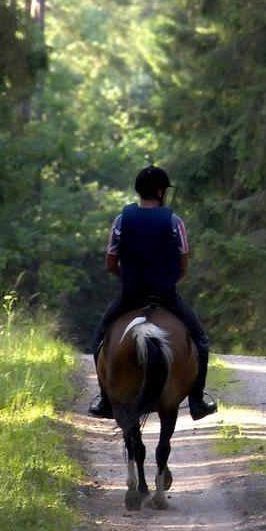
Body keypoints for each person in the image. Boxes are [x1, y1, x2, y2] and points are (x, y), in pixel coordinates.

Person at [88, 166, 218, 420]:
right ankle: (197, 400)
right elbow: (184, 265)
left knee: (99, 339)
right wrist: (168, 281)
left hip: (131, 295)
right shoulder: (174, 222)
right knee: (200, 341)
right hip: (166, 295)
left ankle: (105, 400)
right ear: (160, 191)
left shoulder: (120, 221)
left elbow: (110, 263)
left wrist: (126, 278)